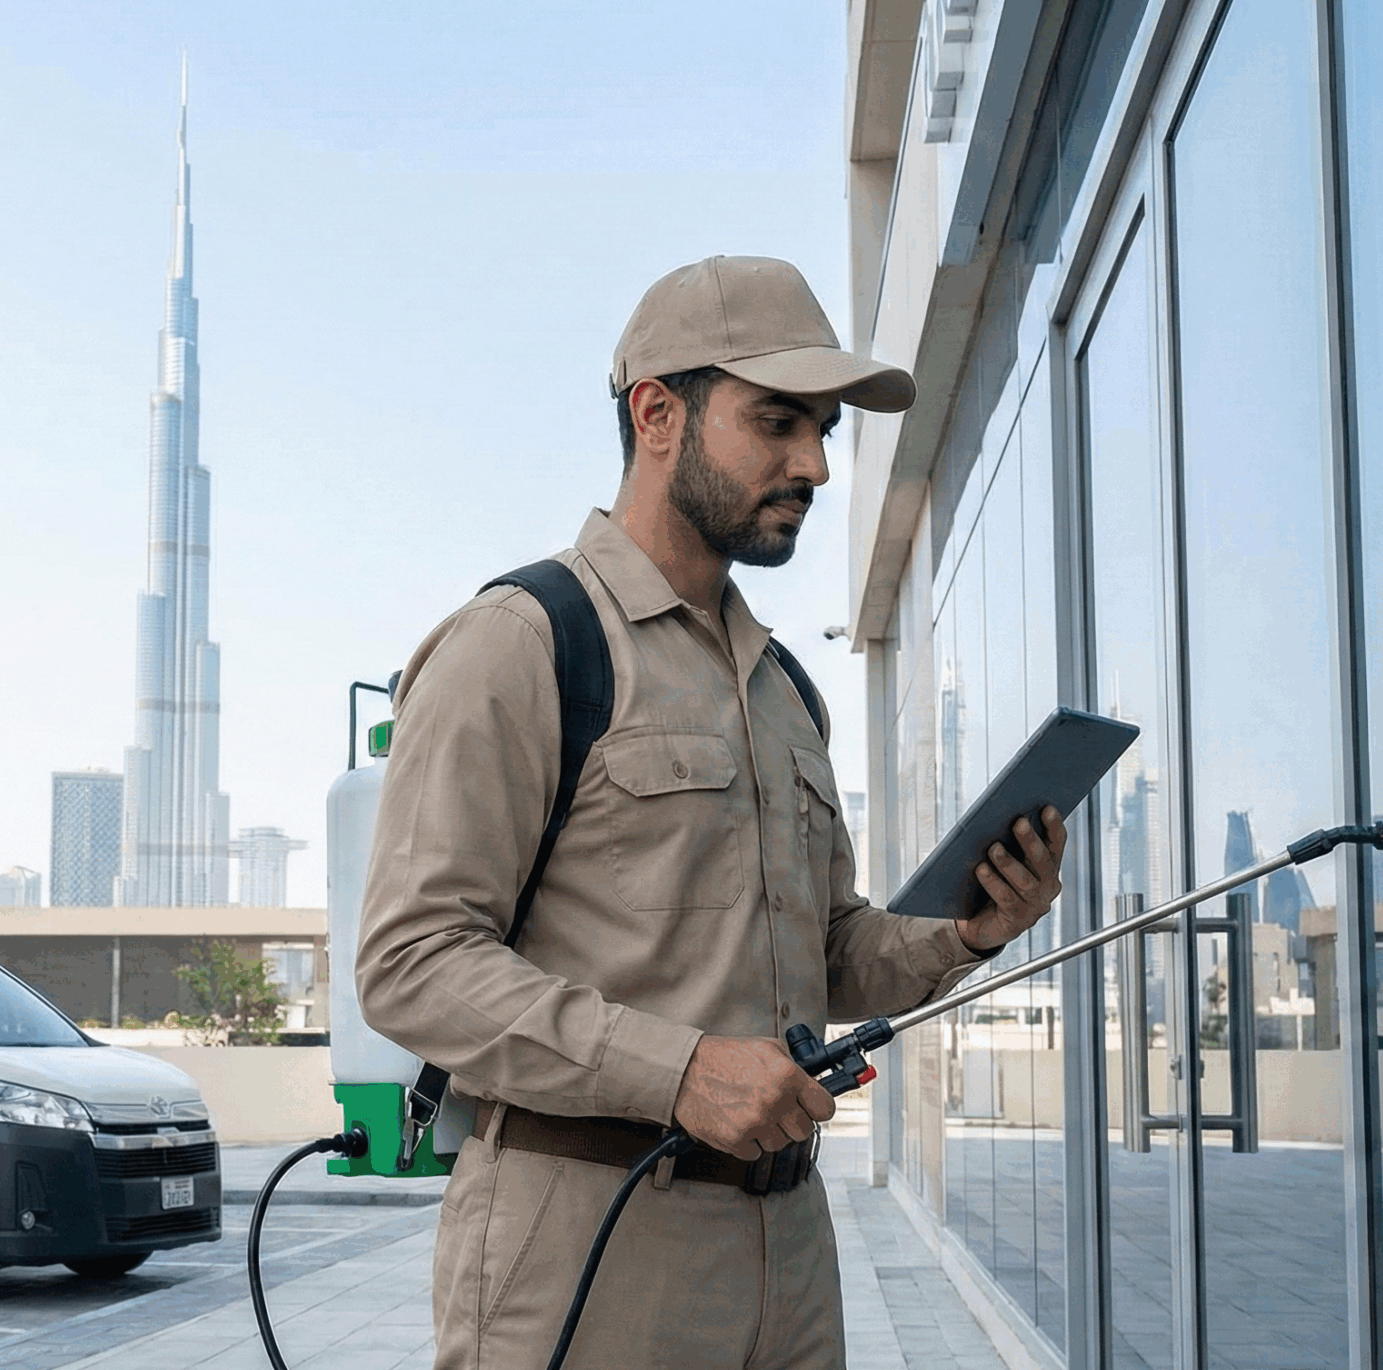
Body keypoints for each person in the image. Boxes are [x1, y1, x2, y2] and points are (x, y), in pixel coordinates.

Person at [355, 255, 1067, 1369]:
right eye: (778, 422)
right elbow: (411, 962)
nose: (816, 464)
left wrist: (968, 929)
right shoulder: (522, 641)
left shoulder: (788, 691)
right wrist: (679, 1070)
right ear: (657, 415)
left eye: (823, 429)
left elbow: (828, 951)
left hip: (788, 1251)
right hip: (583, 1243)